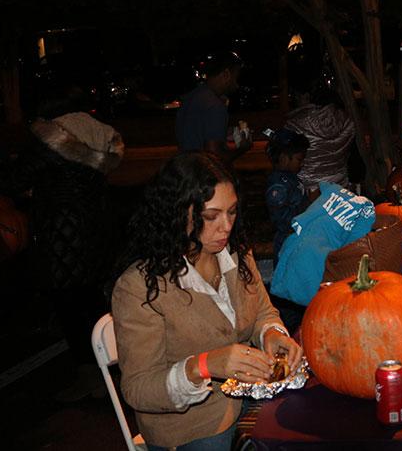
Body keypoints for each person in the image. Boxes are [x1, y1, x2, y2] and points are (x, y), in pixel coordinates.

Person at [111, 151, 303, 450]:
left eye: (232, 211)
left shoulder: (235, 253)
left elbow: (263, 311)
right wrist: (202, 366)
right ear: (177, 213)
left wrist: (272, 334)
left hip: (246, 404)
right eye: (211, 216)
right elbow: (138, 389)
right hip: (189, 429)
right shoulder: (139, 286)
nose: (226, 226)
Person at [0, 84, 125, 401]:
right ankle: (117, 366)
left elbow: (14, 181)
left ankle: (89, 373)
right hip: (97, 226)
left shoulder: (50, 137)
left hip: (62, 233)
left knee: (69, 303)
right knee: (95, 299)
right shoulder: (100, 131)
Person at [176, 51, 253, 164]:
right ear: (226, 74)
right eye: (237, 78)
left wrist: (224, 132)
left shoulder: (191, 98)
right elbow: (214, 156)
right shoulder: (215, 106)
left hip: (187, 171)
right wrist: (242, 149)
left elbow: (194, 134)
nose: (237, 85)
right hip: (204, 176)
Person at [284, 83, 356, 195]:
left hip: (308, 192)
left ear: (308, 97)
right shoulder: (347, 122)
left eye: (298, 96)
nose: (296, 100)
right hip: (340, 190)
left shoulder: (295, 125)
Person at [265, 128, 311, 262]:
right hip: (287, 243)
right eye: (299, 159)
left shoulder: (291, 178)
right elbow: (282, 221)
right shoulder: (278, 187)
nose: (302, 164)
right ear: (284, 158)